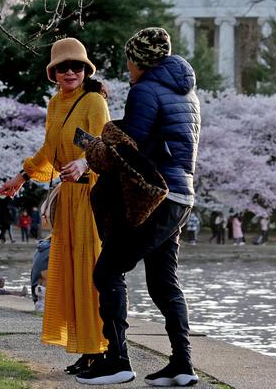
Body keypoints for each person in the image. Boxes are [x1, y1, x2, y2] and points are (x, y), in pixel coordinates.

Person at [79, 27, 200, 386]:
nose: (127, 68)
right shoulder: (188, 93)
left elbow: (128, 147)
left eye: (129, 61)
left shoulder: (145, 90)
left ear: (139, 61)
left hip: (155, 197)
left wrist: (96, 148)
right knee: (163, 282)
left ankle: (117, 360)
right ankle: (182, 365)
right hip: (182, 195)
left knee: (108, 270)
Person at [0, 38, 110, 376]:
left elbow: (103, 146)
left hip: (91, 197)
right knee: (70, 274)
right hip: (68, 200)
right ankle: (83, 348)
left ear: (86, 70)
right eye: (63, 67)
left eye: (77, 66)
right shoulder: (54, 104)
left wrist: (84, 165)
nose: (70, 72)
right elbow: (49, 148)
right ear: (53, 73)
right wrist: (21, 177)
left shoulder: (94, 102)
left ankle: (101, 349)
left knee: (91, 274)